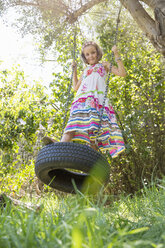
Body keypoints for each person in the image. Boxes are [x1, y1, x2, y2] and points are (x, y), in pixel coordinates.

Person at [43, 41, 126, 158]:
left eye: (93, 52)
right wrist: (75, 70)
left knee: (93, 134)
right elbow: (76, 87)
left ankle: (94, 164)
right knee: (71, 125)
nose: (91, 56)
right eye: (87, 54)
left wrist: (116, 54)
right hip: (81, 101)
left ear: (98, 53)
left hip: (97, 102)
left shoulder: (104, 65)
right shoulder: (85, 71)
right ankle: (59, 146)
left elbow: (122, 73)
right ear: (84, 57)